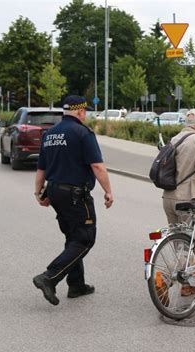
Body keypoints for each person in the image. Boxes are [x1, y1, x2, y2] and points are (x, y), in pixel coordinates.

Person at [33, 95, 114, 306]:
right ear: (80, 112)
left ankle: (77, 284)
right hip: (75, 194)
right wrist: (108, 191)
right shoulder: (82, 133)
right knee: (85, 239)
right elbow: (97, 166)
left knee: (73, 237)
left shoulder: (49, 134)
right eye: (85, 111)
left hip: (55, 192)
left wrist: (38, 192)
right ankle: (49, 277)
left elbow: (41, 168)